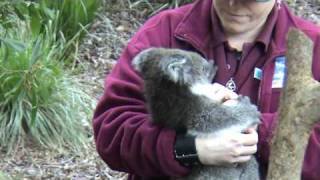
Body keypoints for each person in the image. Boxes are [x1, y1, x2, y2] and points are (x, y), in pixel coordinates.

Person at [92, 0, 320, 179]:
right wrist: (188, 149)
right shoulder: (165, 32)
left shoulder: (312, 45)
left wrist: (255, 132)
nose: (233, 4)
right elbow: (112, 130)